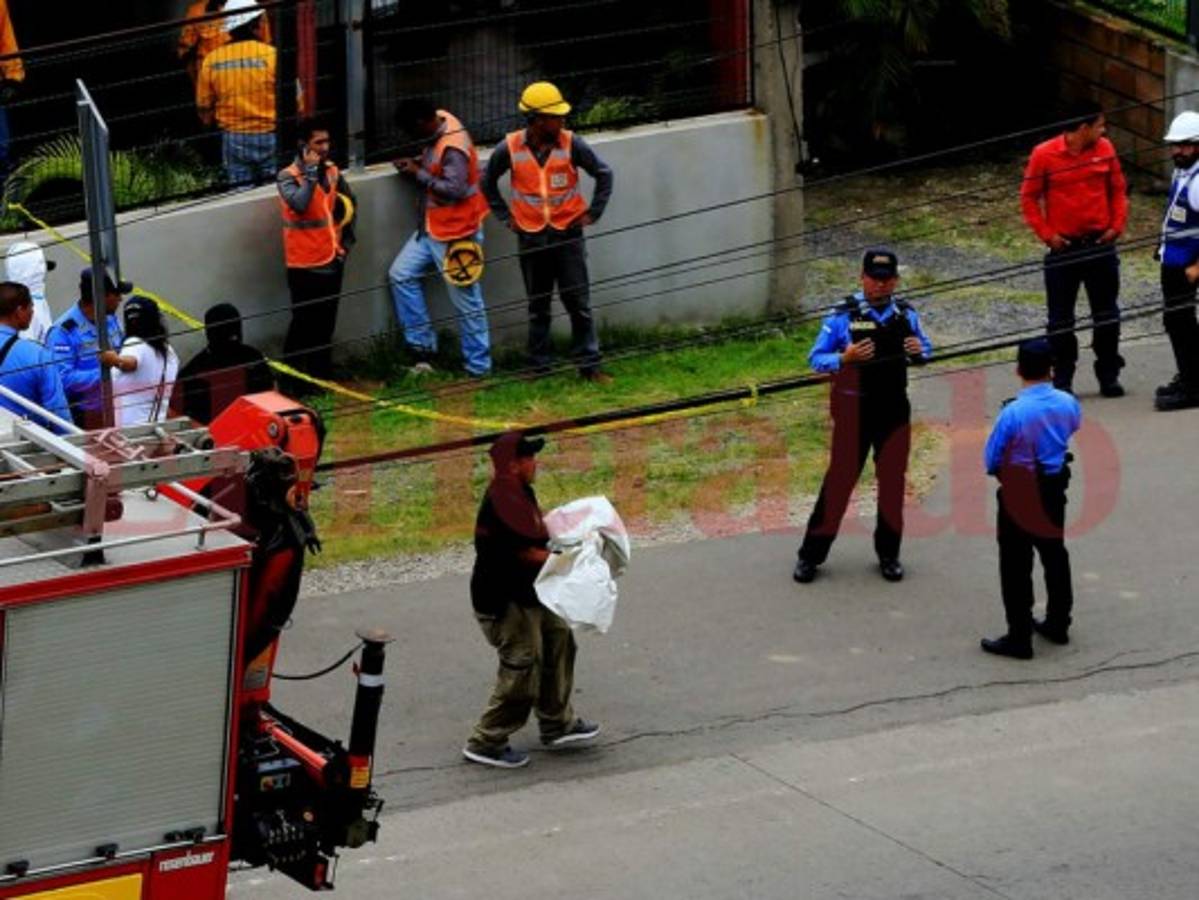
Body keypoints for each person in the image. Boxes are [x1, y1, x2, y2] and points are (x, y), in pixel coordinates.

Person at [793, 249, 932, 585]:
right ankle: (810, 555)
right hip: (854, 409)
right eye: (873, 278)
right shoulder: (843, 315)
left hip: (894, 409)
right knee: (839, 482)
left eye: (886, 279)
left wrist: (919, 353)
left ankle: (889, 554)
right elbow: (815, 359)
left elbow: (925, 349)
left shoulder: (906, 315)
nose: (880, 285)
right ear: (862, 277)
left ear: (895, 281)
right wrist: (845, 356)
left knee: (892, 483)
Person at [464, 431, 601, 768]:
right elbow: (527, 553)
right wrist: (575, 556)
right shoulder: (505, 501)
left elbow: (536, 534)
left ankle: (557, 723)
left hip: (530, 592)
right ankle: (486, 740)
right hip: (505, 602)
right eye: (529, 458)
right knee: (523, 664)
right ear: (513, 464)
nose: (535, 463)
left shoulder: (519, 491)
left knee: (559, 640)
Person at [482, 81, 614, 382]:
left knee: (578, 303)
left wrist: (593, 212)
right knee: (537, 306)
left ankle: (589, 365)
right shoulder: (510, 147)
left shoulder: (572, 143)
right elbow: (486, 182)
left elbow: (604, 174)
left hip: (567, 235)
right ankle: (539, 365)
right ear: (537, 120)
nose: (561, 121)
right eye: (555, 116)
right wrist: (505, 217)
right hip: (531, 237)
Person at [981, 339, 1082, 660]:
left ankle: (1019, 635)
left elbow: (992, 458)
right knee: (1054, 554)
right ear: (1051, 369)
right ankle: (1058, 622)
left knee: (1015, 563)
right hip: (1053, 487)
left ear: (1018, 370)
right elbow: (1072, 428)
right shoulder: (1068, 402)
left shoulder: (1012, 412)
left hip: (1018, 490)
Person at [1020, 100, 1128, 398]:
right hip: (1064, 248)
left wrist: (1116, 227)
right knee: (1060, 320)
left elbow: (1118, 189)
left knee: (1107, 315)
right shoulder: (1045, 154)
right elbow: (1028, 198)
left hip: (1100, 244)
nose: (1103, 130)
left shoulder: (1105, 149)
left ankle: (1109, 374)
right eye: (1099, 125)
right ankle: (1063, 377)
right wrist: (1047, 235)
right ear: (1084, 128)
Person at [388, 98, 492, 377]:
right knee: (401, 274)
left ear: (423, 123)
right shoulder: (443, 120)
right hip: (434, 227)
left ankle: (479, 368)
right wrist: (421, 163)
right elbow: (439, 164)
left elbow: (454, 188)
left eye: (412, 131)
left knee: (467, 301)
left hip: (457, 232)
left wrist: (417, 172)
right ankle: (422, 349)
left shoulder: (452, 146)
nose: (411, 138)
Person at [277, 119, 356, 384]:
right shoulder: (287, 176)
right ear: (304, 146)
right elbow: (299, 204)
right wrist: (310, 174)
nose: (325, 147)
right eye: (318, 143)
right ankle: (292, 378)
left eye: (327, 141)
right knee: (302, 324)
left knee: (325, 325)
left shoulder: (332, 171)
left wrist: (346, 245)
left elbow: (350, 204)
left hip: (332, 259)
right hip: (303, 264)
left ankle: (320, 378)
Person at [196, 0, 277, 186]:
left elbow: (204, 107)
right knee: (273, 193)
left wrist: (211, 128)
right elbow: (296, 102)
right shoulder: (273, 56)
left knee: (241, 194)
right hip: (271, 135)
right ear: (254, 24)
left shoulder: (212, 60)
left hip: (234, 137)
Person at [1154, 110, 1199, 412]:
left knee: (1182, 323)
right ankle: (1189, 376)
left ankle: (1193, 386)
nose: (1176, 151)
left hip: (1189, 266)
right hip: (1173, 260)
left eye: (1183, 145)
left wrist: (1197, 267)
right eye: (1174, 145)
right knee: (1176, 321)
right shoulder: (1182, 171)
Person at [46, 269, 129, 428]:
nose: (120, 298)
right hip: (85, 416)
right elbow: (62, 379)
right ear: (101, 298)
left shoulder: (111, 319)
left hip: (118, 408)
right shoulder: (63, 332)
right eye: (116, 294)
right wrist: (107, 374)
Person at [173, 302, 274, 424]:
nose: (233, 337)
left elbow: (270, 395)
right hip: (216, 435)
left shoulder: (253, 358)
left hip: (250, 429)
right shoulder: (252, 356)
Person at [0, 281, 71, 431]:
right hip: (25, 447)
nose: (33, 311)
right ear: (19, 311)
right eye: (31, 306)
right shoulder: (37, 355)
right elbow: (59, 416)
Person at [110, 296, 180, 428]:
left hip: (129, 436)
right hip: (157, 430)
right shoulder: (169, 352)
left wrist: (113, 359)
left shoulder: (134, 343)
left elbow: (130, 363)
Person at [179, 0, 272, 87]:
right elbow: (186, 53)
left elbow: (266, 44)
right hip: (214, 82)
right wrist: (199, 84)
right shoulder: (196, 12)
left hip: (251, 79)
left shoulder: (251, 6)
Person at [4, 241, 55, 343]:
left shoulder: (37, 300)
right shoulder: (25, 307)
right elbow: (27, 350)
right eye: (41, 269)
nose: (44, 274)